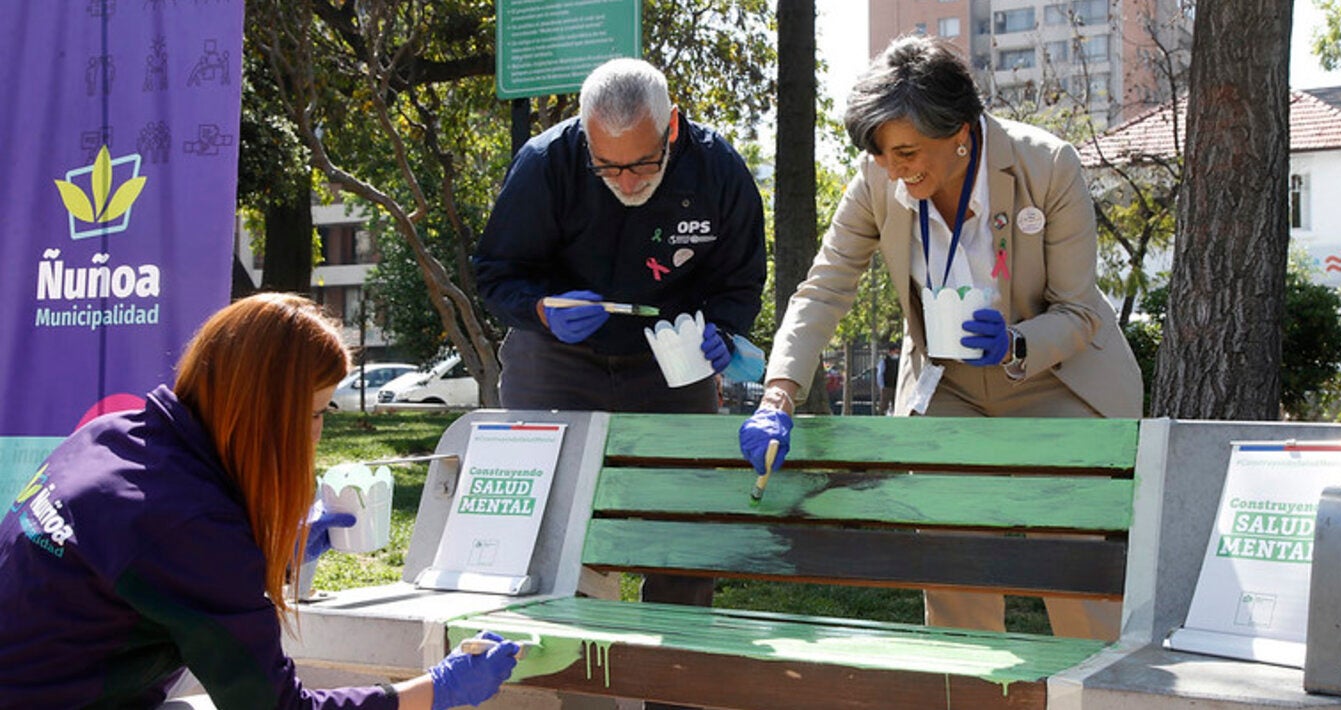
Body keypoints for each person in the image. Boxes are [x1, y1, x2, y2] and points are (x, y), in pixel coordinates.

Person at [738, 36, 1142, 641]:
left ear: (959, 129)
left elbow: (1080, 312)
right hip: (949, 384)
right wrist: (778, 394)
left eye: (905, 151)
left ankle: (1093, 683)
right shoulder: (878, 180)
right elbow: (824, 289)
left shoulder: (1048, 165)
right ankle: (968, 682)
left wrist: (1015, 343)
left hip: (1055, 379)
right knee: (952, 560)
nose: (893, 169)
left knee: (1074, 559)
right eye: (879, 153)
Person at [0, 294, 518, 709]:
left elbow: (135, 572)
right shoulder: (188, 527)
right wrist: (434, 691)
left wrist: (267, 552)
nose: (317, 434)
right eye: (316, 414)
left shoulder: (115, 434)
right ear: (264, 415)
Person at [473, 58, 766, 710]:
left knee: (684, 533)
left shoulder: (719, 171)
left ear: (673, 128)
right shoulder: (545, 164)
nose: (627, 182)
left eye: (642, 164)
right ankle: (581, 695)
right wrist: (541, 309)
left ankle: (672, 693)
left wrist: (723, 330)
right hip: (556, 360)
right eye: (607, 167)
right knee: (553, 536)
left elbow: (742, 279)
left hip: (672, 366)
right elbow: (495, 271)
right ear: (584, 136)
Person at [877, 343, 901, 415]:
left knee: (896, 406)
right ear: (891, 351)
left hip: (896, 387)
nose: (897, 354)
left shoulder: (899, 361)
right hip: (887, 387)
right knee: (883, 406)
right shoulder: (884, 361)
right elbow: (880, 374)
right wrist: (882, 387)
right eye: (896, 352)